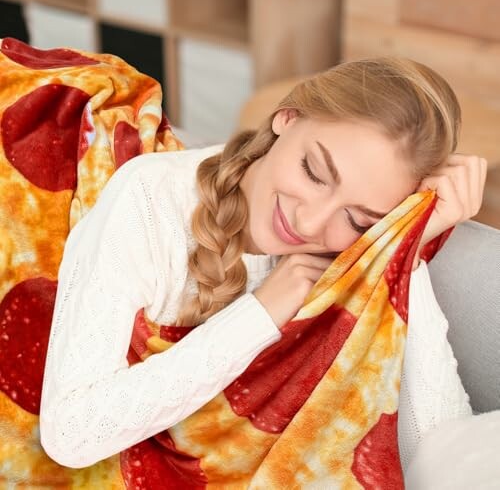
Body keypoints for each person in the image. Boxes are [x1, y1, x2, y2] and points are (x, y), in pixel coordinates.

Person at [39, 57, 487, 474]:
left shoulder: (356, 256)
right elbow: (72, 433)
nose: (309, 222)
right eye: (313, 171)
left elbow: (439, 452)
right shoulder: (149, 199)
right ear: (286, 118)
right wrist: (261, 312)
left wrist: (405, 248)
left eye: (356, 217)